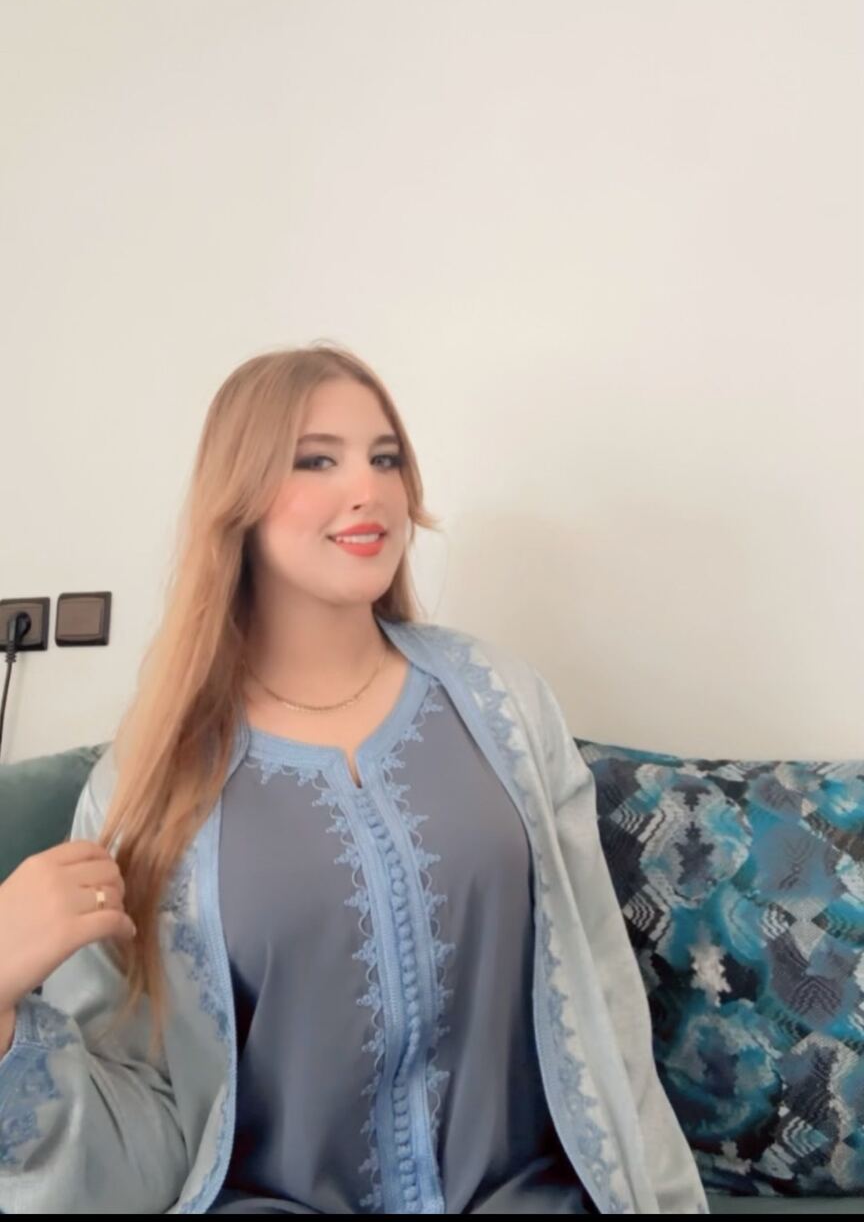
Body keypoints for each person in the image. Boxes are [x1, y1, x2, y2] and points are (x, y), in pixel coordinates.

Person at [0, 343, 709, 1215]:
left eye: (385, 458)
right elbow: (140, 1122)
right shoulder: (144, 789)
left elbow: (603, 1001)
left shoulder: (505, 706)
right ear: (238, 496)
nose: (368, 489)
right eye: (316, 460)